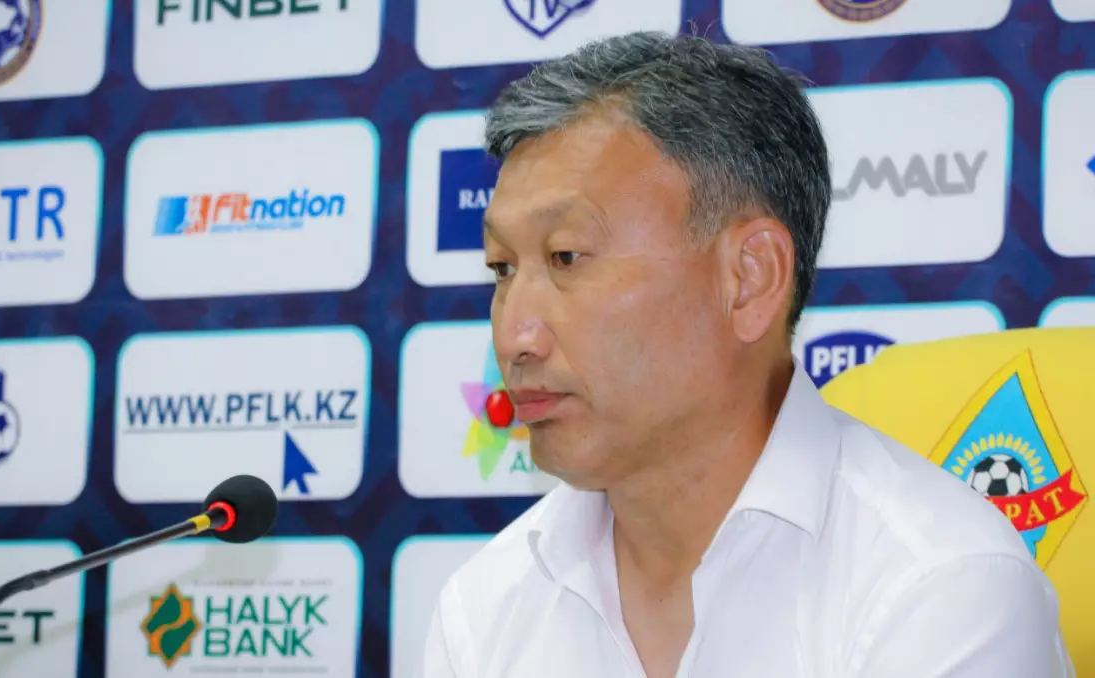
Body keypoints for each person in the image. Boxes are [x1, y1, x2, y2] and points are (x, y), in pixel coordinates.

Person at [418, 31, 1073, 678]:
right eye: (502, 268)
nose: (515, 336)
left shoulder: (940, 589)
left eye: (566, 257)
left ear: (749, 278)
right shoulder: (484, 609)